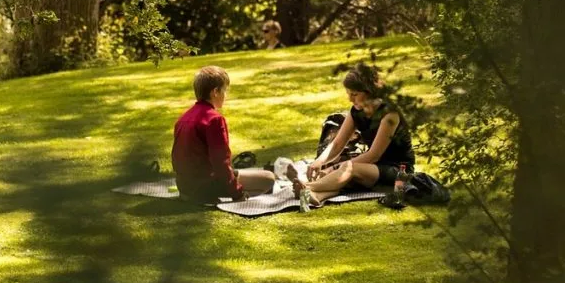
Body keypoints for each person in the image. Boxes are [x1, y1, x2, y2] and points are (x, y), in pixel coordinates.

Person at [288, 63, 416, 210]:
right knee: (343, 175)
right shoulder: (356, 111)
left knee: (349, 169)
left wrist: (335, 168)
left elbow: (374, 155)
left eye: (354, 94)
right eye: (348, 94)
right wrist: (319, 161)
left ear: (369, 92)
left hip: (398, 170)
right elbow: (337, 144)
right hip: (372, 167)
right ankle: (317, 197)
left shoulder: (389, 114)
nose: (350, 99)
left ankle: (308, 187)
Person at [172, 66, 276, 204]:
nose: (226, 95)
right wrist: (237, 193)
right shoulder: (214, 119)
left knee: (249, 176)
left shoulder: (183, 118)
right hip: (204, 187)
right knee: (268, 179)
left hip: (185, 187)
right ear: (215, 91)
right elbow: (220, 163)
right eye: (225, 90)